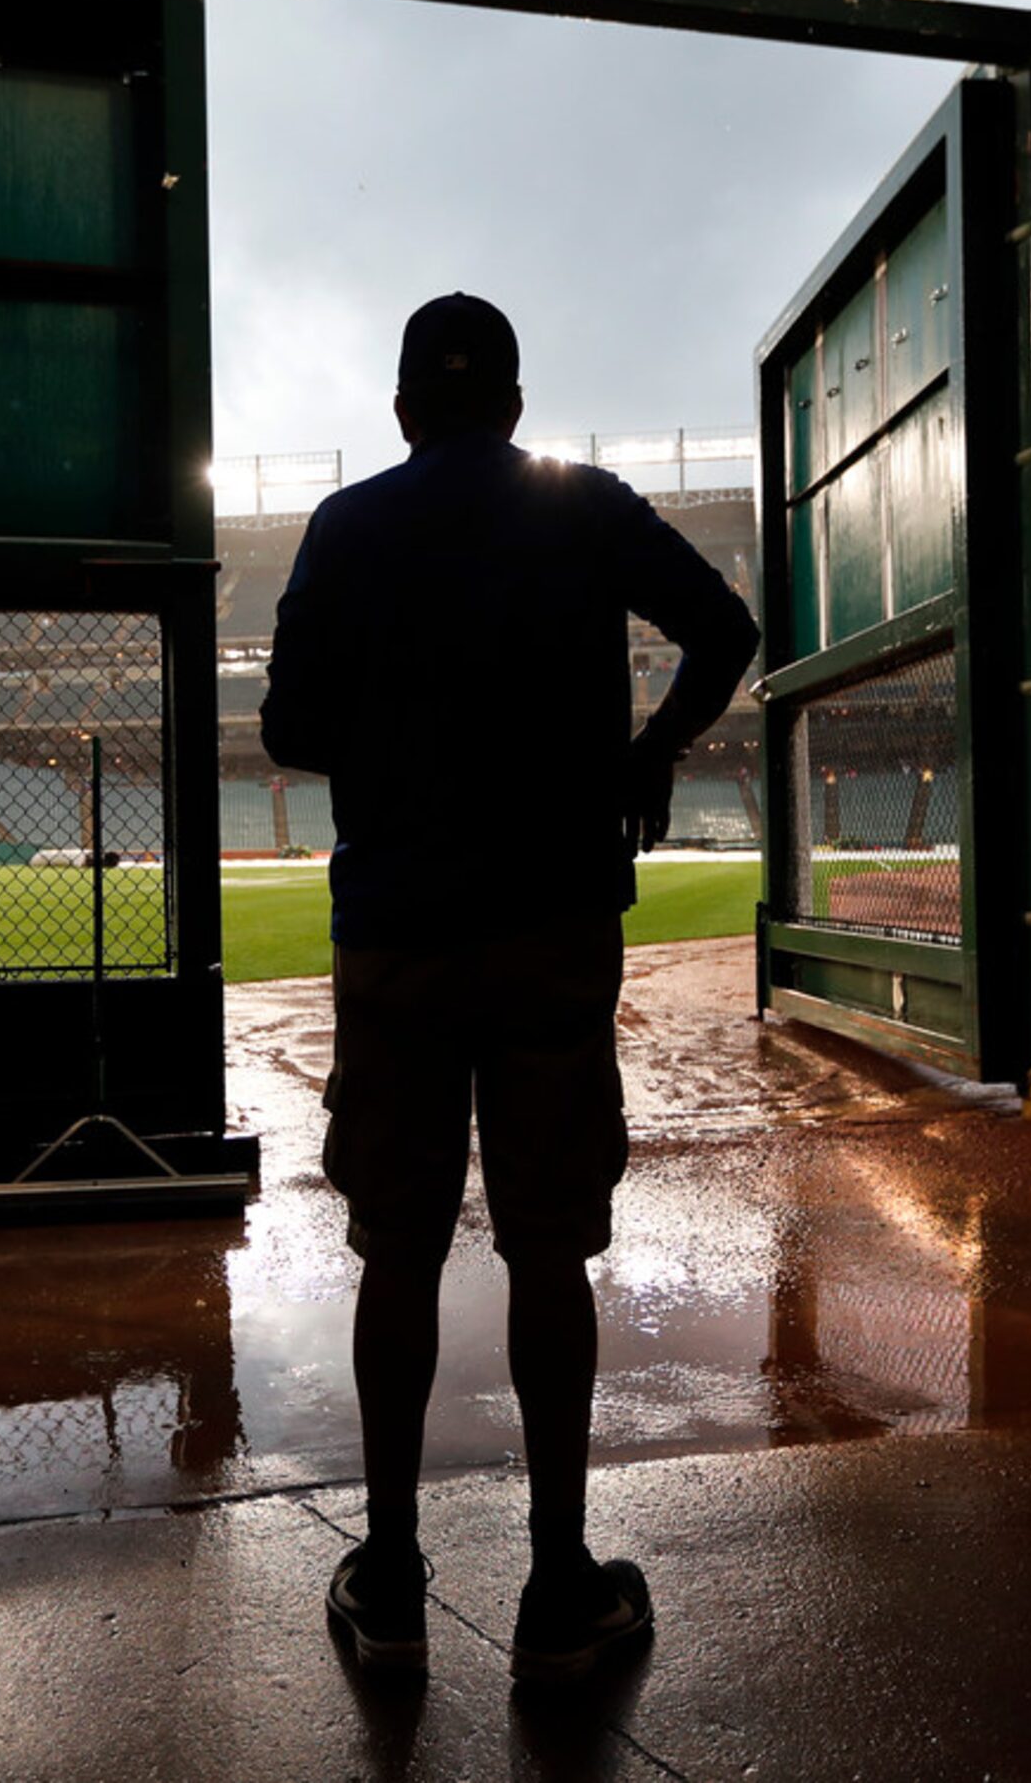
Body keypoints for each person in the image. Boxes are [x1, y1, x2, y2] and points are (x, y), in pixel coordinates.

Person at [262, 293, 759, 1683]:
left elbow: (290, 724)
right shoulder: (584, 506)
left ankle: (396, 1568)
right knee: (549, 1244)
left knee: (398, 1246)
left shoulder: (347, 527)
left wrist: (405, 726)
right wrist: (645, 746)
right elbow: (723, 627)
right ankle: (555, 1578)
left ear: (405, 407)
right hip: (551, 919)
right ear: (518, 407)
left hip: (400, 927)